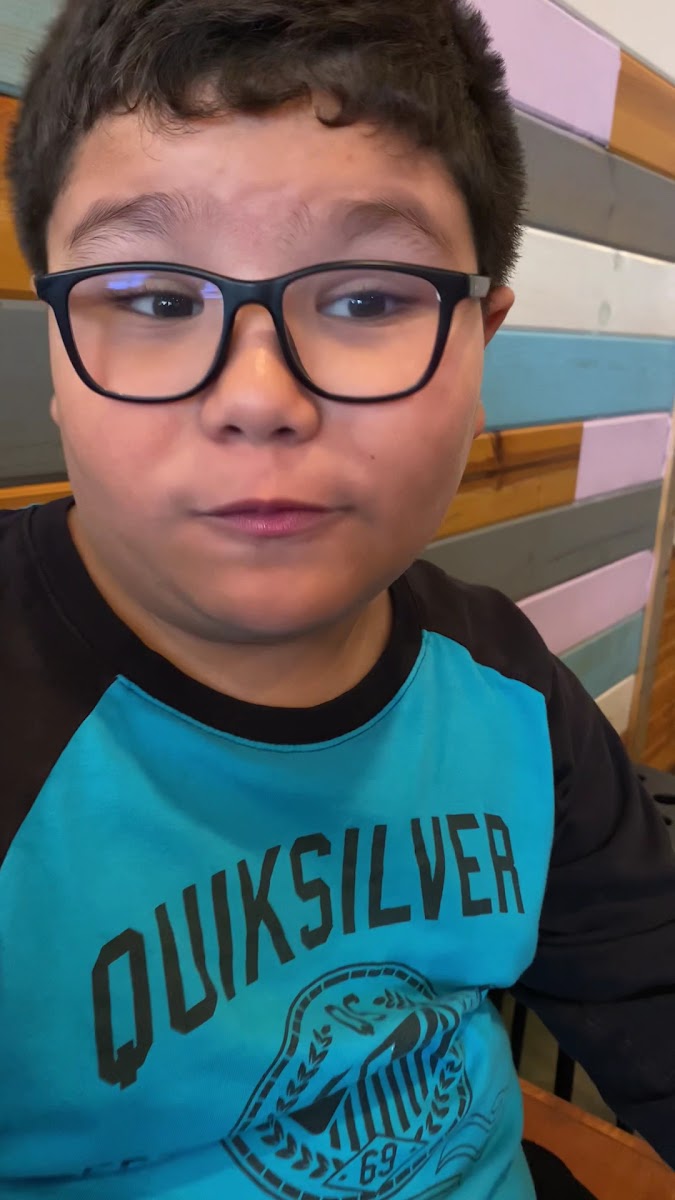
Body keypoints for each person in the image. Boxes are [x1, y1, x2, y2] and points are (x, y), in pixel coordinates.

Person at [1, 0, 673, 1196]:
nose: (259, 398)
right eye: (155, 299)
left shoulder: (505, 683)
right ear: (56, 349)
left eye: (367, 299)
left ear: (480, 346)